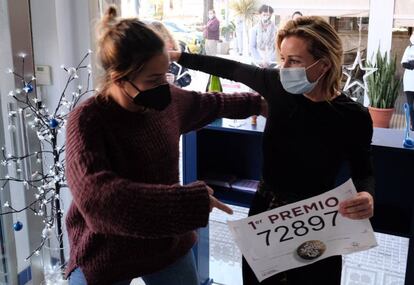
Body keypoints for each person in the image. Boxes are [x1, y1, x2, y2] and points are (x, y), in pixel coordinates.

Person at [65, 6, 264, 285]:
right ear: (118, 78)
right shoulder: (87, 120)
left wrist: (258, 103)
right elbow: (98, 200)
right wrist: (185, 202)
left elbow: (210, 102)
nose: (165, 85)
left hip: (165, 241)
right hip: (106, 248)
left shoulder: (167, 100)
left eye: (165, 75)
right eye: (154, 79)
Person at [170, 16, 374, 285]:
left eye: (295, 60)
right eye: (282, 58)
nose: (284, 67)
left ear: (323, 65)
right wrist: (179, 56)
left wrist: (367, 195)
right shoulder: (277, 86)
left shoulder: (353, 116)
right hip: (265, 214)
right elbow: (230, 68)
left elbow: (364, 170)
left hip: (317, 221)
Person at [149, 21, 192, 88]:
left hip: (172, 94)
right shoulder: (145, 53)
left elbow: (187, 79)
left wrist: (174, 80)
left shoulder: (177, 50)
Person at [401, 29, 414, 130]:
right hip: (409, 81)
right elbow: (404, 63)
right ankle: (412, 124)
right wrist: (411, 64)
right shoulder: (408, 48)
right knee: (410, 104)